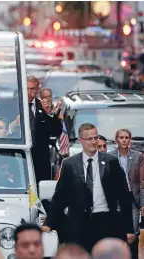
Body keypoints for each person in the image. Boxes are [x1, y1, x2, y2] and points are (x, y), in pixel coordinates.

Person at [42, 123, 134, 252]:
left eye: (95, 138)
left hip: (106, 221)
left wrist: (129, 229)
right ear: (81, 141)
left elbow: (124, 196)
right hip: (80, 223)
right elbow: (60, 197)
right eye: (89, 139)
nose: (94, 142)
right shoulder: (70, 164)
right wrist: (48, 223)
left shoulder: (110, 162)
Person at [10, 76, 62, 183]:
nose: (29, 92)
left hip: (40, 159)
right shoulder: (11, 104)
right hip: (18, 157)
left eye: (32, 89)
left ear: (37, 90)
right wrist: (13, 125)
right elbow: (1, 129)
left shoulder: (44, 106)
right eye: (27, 88)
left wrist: (49, 114)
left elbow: (55, 132)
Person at [109, 128, 144, 259]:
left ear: (130, 139)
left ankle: (133, 256)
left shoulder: (138, 156)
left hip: (132, 197)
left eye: (126, 137)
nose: (124, 140)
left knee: (134, 232)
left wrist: (142, 203)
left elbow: (141, 181)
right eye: (121, 137)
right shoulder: (110, 156)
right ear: (116, 139)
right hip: (116, 197)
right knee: (117, 229)